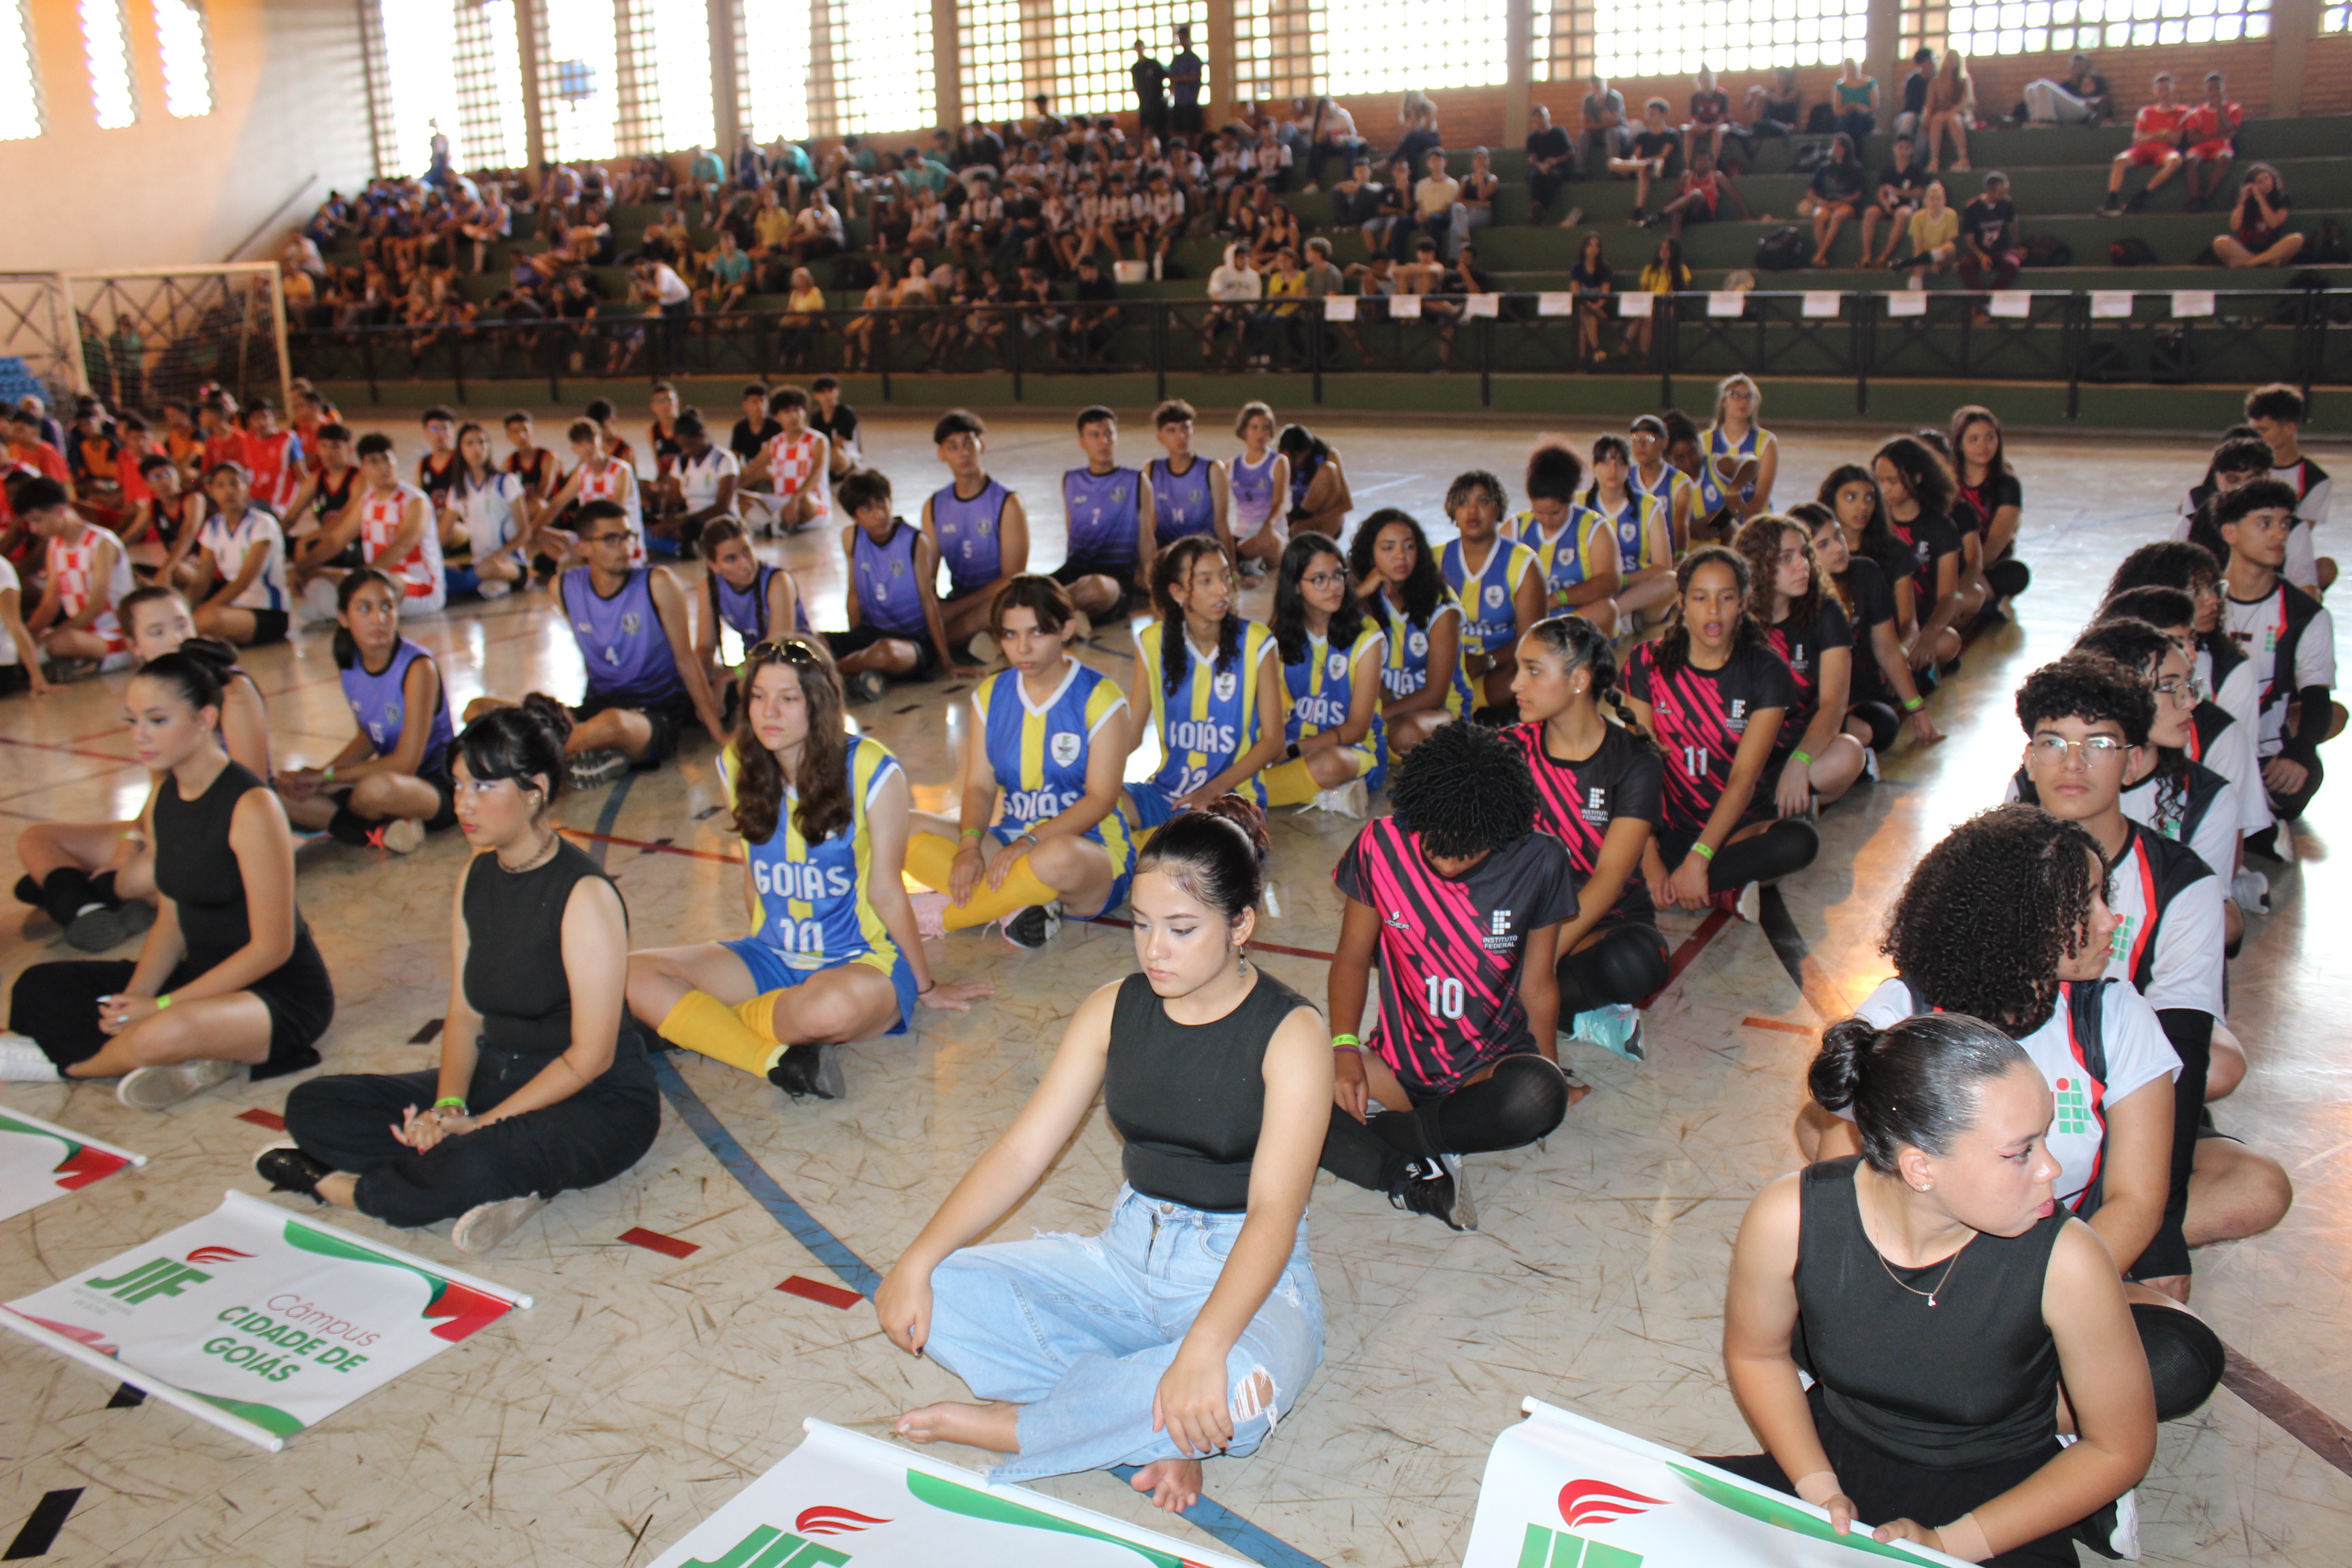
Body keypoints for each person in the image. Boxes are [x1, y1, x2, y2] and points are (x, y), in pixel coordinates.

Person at [879, 799, 1326, 1511]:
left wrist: (1204, 1349)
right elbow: (1024, 1150)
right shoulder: (1113, 1007)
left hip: (1246, 1275)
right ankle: (1158, 1424)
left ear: (1241, 924)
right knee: (941, 1290)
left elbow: (1275, 1211)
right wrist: (916, 1257)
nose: (1155, 951)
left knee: (1241, 1389)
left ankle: (1028, 1426)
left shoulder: (1292, 1032)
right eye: (1143, 926)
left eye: (1182, 930)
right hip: (1126, 1261)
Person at [1717, 1013, 2157, 1565]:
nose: (2052, 1168)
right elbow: (1758, 1354)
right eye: (2020, 1151)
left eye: (2046, 1137)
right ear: (1920, 1168)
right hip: (1837, 1456)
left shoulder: (2069, 1259)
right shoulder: (1791, 1216)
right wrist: (1817, 1488)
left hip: (1999, 1497)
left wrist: (1949, 1546)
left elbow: (2120, 1448)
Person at [259, 701, 653, 1255]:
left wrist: (483, 1126)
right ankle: (479, 1174)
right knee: (314, 1105)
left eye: (482, 788)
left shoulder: (583, 896)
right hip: (499, 1074)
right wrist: (448, 1107)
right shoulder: (476, 872)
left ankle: (343, 1188)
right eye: (459, 785)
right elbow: (467, 1012)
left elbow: (591, 1058)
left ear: (534, 789)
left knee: (484, 1155)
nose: (462, 804)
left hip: (593, 1101)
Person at [2010, 654, 2292, 1295]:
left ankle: (2068, 1234)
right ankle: (2068, 1234)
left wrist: (2158, 1226)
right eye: (2052, 742)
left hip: (2129, 1102)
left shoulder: (2180, 882)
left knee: (2262, 1187)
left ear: (2135, 761)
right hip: (2010, 1100)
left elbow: (2184, 1047)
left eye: (2099, 744)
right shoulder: (1988, 862)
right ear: (2027, 759)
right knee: (1828, 1127)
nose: (2072, 764)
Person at [630, 637, 983, 1099]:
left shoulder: (871, 769)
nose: (768, 712)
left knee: (828, 1011)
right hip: (773, 956)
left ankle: (701, 1025)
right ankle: (769, 1056)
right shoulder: (737, 763)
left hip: (861, 963)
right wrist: (755, 953)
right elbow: (752, 878)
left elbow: (887, 891)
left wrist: (925, 985)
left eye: (787, 699)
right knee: (632, 974)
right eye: (758, 696)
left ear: (818, 704)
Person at [0, 651, 334, 1105]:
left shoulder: (252, 806)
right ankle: (189, 1055)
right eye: (132, 720)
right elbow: (173, 919)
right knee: (38, 986)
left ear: (205, 718)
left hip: (275, 994)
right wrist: (133, 998)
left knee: (166, 1030)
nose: (140, 735)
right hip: (199, 979)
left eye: (157, 720)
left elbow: (273, 947)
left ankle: (66, 1067)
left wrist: (159, 1007)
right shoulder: (163, 800)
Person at [1319, 721, 1581, 1230]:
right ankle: (1408, 1169)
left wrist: (1551, 1072)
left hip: (1485, 1071)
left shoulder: (1540, 860)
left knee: (1537, 1097)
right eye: (1435, 842)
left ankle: (1391, 1137)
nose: (1449, 858)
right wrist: (1345, 1048)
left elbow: (1538, 985)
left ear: (1501, 832)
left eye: (1468, 849)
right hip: (1394, 1068)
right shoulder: (1380, 845)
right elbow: (1351, 957)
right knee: (1271, 1089)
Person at [11, 591, 270, 950]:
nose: (176, 639)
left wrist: (152, 852)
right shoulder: (149, 694)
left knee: (142, 875)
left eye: (182, 624)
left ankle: (74, 893)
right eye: (158, 631)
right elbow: (159, 791)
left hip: (224, 837)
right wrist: (130, 843)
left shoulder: (231, 689)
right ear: (134, 645)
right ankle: (88, 907)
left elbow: (253, 795)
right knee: (37, 839)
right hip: (175, 825)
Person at [906, 576, 1136, 947]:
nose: (1023, 647)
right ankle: (1015, 902)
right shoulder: (990, 695)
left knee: (1055, 856)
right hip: (1008, 843)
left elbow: (1101, 799)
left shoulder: (1100, 696)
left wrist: (1030, 841)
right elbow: (980, 787)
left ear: (1066, 629)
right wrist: (968, 847)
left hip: (1086, 854)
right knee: (902, 826)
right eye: (1010, 635)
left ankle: (940, 916)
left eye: (1036, 633)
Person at [470, 500, 726, 789]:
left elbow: (686, 659)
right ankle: (585, 752)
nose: (625, 547)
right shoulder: (563, 588)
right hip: (595, 707)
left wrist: (715, 731)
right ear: (585, 548)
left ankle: (528, 764)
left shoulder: (657, 582)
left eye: (627, 537)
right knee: (479, 709)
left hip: (654, 714)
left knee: (612, 724)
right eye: (611, 539)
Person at [1624, 546, 1818, 921]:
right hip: (1666, 826)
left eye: (1726, 598)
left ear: (1743, 603)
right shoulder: (1646, 661)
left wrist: (1703, 856)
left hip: (1735, 829)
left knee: (1800, 841)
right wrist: (1649, 859)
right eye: (1700, 598)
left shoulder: (1766, 670)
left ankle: (1690, 879)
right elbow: (1639, 768)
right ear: (1682, 602)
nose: (1713, 610)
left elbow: (1744, 779)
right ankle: (1715, 888)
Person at [1508, 616, 1667, 1060]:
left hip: (1602, 924)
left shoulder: (1635, 761)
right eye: (1519, 669)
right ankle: (1571, 1015)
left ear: (1579, 680)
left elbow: (1609, 878)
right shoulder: (1509, 750)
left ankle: (1519, 1005)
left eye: (1533, 671)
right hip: (1522, 924)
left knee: (1638, 962)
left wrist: (1537, 966)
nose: (1517, 684)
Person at [273, 569, 456, 855]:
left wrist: (330, 778)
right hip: (383, 777)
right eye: (364, 609)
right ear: (343, 618)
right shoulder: (351, 665)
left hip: (431, 788)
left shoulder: (418, 667)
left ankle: (349, 823)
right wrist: (320, 777)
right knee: (282, 794)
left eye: (387, 607)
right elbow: (369, 736)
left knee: (373, 792)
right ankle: (378, 831)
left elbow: (407, 763)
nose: (378, 619)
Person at [1124, 537, 1285, 829]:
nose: (1222, 590)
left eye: (1226, 577)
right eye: (1206, 581)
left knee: (1198, 842)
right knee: (1094, 804)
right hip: (1167, 794)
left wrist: (1214, 789)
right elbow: (1131, 736)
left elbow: (1273, 741)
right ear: (1177, 592)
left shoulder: (1257, 642)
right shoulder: (1152, 642)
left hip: (1230, 802)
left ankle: (1149, 853)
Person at [2215, 482, 2334, 835]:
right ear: (2230, 532)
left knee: (2306, 773)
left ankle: (2251, 823)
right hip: (2198, 746)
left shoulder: (2305, 614)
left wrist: (2300, 748)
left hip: (2262, 754)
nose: (2279, 534)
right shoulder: (2200, 602)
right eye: (2265, 523)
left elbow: (2316, 694)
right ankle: (2255, 832)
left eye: (2285, 524)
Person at [1735, 515, 1869, 815]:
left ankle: (1782, 801)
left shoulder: (1825, 612)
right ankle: (1784, 805)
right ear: (1759, 566)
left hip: (1801, 742)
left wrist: (1800, 762)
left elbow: (1833, 705)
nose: (1803, 564)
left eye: (1804, 554)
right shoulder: (1735, 617)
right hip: (1746, 749)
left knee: (1849, 753)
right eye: (1786, 558)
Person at [1799, 501, 1938, 757]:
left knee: (1881, 725)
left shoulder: (1865, 572)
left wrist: (1917, 709)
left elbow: (1887, 649)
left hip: (1858, 703)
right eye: (1823, 545)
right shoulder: (1797, 592)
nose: (1839, 548)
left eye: (1838, 536)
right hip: (1811, 710)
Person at [1352, 507, 1469, 757]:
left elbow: (1435, 695)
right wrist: (1361, 595)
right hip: (1387, 707)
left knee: (1404, 733)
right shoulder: (1366, 596)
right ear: (1370, 555)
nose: (1401, 557)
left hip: (1437, 712)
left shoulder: (1442, 605)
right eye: (1388, 548)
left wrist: (1373, 718)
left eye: (1409, 547)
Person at [299, 432, 446, 617]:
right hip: (377, 580)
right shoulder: (367, 501)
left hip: (419, 588)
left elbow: (403, 545)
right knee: (317, 578)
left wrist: (363, 577)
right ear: (363, 468)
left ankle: (341, 612)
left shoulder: (415, 501)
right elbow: (336, 540)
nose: (383, 467)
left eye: (386, 459)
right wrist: (302, 567)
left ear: (395, 461)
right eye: (374, 462)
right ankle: (344, 611)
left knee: (385, 586)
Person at [921, 410, 1029, 653]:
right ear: (941, 454)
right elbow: (928, 575)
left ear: (982, 445)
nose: (964, 453)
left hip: (1001, 600)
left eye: (969, 443)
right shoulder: (935, 506)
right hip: (960, 598)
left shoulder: (1008, 502)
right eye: (953, 447)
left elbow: (1013, 578)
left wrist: (953, 610)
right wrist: (931, 607)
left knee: (976, 619)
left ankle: (947, 644)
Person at [1439, 470, 1542, 715]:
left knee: (1530, 672)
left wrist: (1486, 661)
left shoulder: (1523, 562)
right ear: (1453, 511)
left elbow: (1533, 639)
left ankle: (1474, 711)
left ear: (1498, 509)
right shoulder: (1435, 560)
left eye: (1483, 502)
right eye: (1463, 503)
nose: (1472, 511)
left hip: (1501, 668)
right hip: (1448, 669)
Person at [1874, 436, 1971, 675]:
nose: (1885, 489)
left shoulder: (1939, 527)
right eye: (1880, 481)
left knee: (1948, 641)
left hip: (1922, 622)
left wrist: (1928, 635)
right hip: (1881, 625)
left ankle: (1917, 666)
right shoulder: (1876, 524)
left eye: (1894, 481)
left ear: (1917, 478)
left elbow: (1947, 595)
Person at [18, 479, 133, 671]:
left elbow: (96, 607)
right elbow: (49, 606)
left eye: (37, 520)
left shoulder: (102, 543)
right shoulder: (55, 546)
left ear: (60, 510)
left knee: (59, 642)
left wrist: (47, 639)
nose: (33, 529)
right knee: (38, 637)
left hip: (115, 635)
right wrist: (25, 639)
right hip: (81, 633)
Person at [1505, 441, 1617, 635]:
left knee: (1606, 610)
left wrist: (1558, 599)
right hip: (1528, 621)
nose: (1547, 519)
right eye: (1539, 512)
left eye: (1555, 513)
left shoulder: (1594, 528)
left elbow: (1610, 582)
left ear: (1571, 500)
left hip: (1573, 619)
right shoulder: (1515, 528)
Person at [1056, 406, 1153, 619]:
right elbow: (1072, 535)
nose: (1104, 441)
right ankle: (1065, 612)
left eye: (1109, 433)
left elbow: (1146, 539)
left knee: (1096, 589)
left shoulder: (1135, 481)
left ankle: (1048, 608)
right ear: (1082, 441)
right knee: (1022, 585)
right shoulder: (1071, 480)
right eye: (1095, 435)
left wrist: (1154, 584)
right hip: (1075, 570)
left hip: (1115, 577)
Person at [694, 517, 806, 700]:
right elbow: (705, 648)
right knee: (692, 674)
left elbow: (775, 651)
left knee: (746, 686)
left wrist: (725, 679)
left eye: (747, 551)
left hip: (791, 661)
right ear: (713, 565)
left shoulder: (777, 582)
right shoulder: (710, 587)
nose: (745, 564)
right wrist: (699, 681)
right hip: (752, 664)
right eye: (731, 559)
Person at [1582, 434, 1674, 623]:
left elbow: (1663, 566)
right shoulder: (1579, 505)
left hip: (1637, 591)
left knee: (1673, 581)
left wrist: (1620, 581)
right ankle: (1622, 620)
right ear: (1594, 466)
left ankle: (1614, 614)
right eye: (1606, 462)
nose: (1613, 469)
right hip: (1594, 591)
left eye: (1620, 462)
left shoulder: (1649, 506)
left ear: (1628, 467)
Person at [440, 421, 536, 599]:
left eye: (482, 442)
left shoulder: (506, 481)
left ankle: (473, 583)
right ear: (460, 449)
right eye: (469, 443)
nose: (477, 448)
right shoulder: (459, 488)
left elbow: (525, 533)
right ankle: (481, 583)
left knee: (487, 569)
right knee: (440, 567)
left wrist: (500, 554)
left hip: (509, 562)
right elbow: (443, 534)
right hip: (479, 563)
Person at [1950, 405, 2030, 614]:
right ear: (1959, 444)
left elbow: (1996, 543)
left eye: (1990, 438)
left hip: (1986, 564)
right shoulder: (1948, 481)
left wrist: (1967, 574)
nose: (1983, 446)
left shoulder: (2007, 484)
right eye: (1974, 439)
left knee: (2016, 575)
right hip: (1950, 561)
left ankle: (1968, 600)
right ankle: (1978, 602)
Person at [1145, 398, 1234, 561]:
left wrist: (1232, 572)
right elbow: (1150, 525)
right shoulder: (1152, 470)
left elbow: (1221, 525)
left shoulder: (1213, 469)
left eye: (1185, 428)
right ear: (1160, 437)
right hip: (1167, 552)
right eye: (1172, 430)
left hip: (1201, 551)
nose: (1181, 436)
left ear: (1193, 431)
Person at [737, 386, 832, 534]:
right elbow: (750, 470)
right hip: (781, 501)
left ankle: (777, 523)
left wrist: (796, 499)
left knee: (804, 501)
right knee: (738, 497)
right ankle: (770, 527)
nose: (794, 416)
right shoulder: (774, 443)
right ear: (776, 416)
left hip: (810, 503)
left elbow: (817, 474)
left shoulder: (817, 441)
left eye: (797, 410)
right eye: (787, 412)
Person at [2103, 74, 2186, 215]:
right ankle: (2112, 199)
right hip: (2142, 151)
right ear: (2155, 92)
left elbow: (2177, 139)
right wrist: (2163, 133)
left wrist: (2151, 136)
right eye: (2160, 90)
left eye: (2167, 89)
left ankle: (2143, 195)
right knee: (2120, 160)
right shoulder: (2146, 111)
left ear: (2174, 89)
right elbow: (2137, 140)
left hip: (2164, 151)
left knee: (2175, 161)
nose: (2164, 93)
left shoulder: (2183, 112)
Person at [1701, 372, 1778, 524]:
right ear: (1724, 401)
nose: (1743, 401)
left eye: (1749, 397)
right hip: (1714, 519)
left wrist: (1727, 527)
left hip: (1754, 521)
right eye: (1737, 395)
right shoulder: (1704, 441)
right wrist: (1717, 528)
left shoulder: (1766, 441)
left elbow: (1759, 500)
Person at [1226, 402, 1290, 578]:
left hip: (1270, 535)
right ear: (1244, 430)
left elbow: (1280, 502)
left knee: (1271, 544)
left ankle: (1236, 565)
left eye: (1265, 428)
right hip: (1242, 535)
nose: (1260, 434)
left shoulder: (1278, 462)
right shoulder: (1231, 466)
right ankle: (1241, 565)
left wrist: (1267, 526)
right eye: (1254, 427)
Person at [2214, 161, 2301, 269]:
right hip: (2246, 250)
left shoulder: (2282, 198)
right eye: (2260, 181)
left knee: (2296, 239)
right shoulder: (2244, 201)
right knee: (2220, 242)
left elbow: (2273, 224)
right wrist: (2242, 202)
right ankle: (2262, 261)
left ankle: (2251, 263)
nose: (2266, 183)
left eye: (2267, 178)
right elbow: (2235, 226)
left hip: (2272, 249)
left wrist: (2260, 199)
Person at [1801, 134, 1867, 269]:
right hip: (1827, 203)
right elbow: (1811, 191)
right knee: (1819, 216)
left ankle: (1819, 255)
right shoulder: (1823, 168)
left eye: (1838, 145)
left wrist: (1842, 202)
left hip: (1847, 205)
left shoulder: (1856, 168)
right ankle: (1822, 257)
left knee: (1837, 217)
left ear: (1845, 149)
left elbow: (1858, 194)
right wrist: (1820, 202)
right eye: (1834, 145)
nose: (1834, 148)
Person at [1861, 136, 1928, 268]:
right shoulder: (1888, 170)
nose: (1903, 151)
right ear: (1894, 149)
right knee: (1871, 212)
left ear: (1912, 150)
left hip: (1907, 206)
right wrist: (1885, 203)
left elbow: (1919, 193)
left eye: (1906, 148)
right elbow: (1881, 191)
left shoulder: (1916, 169)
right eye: (1900, 147)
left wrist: (1898, 192)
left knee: (1902, 214)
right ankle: (1867, 255)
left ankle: (1884, 256)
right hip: (1888, 206)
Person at [2178, 71, 2242, 210]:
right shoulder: (2196, 113)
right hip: (2200, 148)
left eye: (2217, 88)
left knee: (2225, 159)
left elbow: (2228, 132)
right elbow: (2192, 139)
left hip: (2222, 146)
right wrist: (2217, 135)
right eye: (2210, 88)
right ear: (2206, 90)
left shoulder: (2233, 109)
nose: (2214, 92)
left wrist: (2220, 108)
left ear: (2223, 89)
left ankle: (2205, 198)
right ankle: (2195, 198)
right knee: (2190, 160)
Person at [1277, 423, 1351, 540]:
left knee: (1327, 470)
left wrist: (1307, 522)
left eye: (1295, 458)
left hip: (1327, 520)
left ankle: (1298, 525)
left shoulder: (1329, 456)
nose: (1291, 463)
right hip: (1298, 517)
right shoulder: (1284, 463)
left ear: (1306, 452)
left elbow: (1347, 504)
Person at [1921, 48, 1973, 173]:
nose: (1952, 61)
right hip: (1940, 113)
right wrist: (1927, 116)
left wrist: (1953, 111)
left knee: (1953, 120)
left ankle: (1963, 158)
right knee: (1937, 120)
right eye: (1950, 58)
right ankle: (1934, 159)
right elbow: (1930, 104)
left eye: (1955, 59)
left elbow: (1967, 100)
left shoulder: (1964, 80)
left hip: (1959, 113)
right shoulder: (1935, 82)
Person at [2024, 52, 2111, 126]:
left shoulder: (2097, 85)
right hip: (2065, 115)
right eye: (2074, 66)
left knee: (2042, 85)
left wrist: (2093, 102)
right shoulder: (2066, 86)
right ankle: (2036, 121)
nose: (2076, 70)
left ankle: (2048, 121)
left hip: (2085, 113)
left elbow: (2105, 107)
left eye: (2079, 67)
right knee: (2030, 89)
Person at [1524, 105, 1574, 221]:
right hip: (1540, 168)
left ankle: (1541, 209)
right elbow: (1532, 158)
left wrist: (1555, 161)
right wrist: (1541, 166)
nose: (1541, 119)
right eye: (1538, 117)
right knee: (1535, 177)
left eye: (1543, 115)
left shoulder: (1559, 132)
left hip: (1559, 167)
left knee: (1553, 177)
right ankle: (1536, 206)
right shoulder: (1532, 138)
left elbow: (1570, 153)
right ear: (1534, 120)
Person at [1168, 24, 1203, 137]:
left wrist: (1181, 79)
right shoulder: (1177, 59)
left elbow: (1194, 77)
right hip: (1179, 103)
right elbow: (1172, 79)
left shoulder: (1194, 59)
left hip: (1191, 102)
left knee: (1191, 132)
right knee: (1177, 131)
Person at [1833, 56, 1878, 142]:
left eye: (1853, 66)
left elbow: (1874, 106)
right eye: (1849, 67)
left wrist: (1861, 108)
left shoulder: (1869, 83)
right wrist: (1848, 108)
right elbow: (1837, 110)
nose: (1851, 69)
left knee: (1856, 118)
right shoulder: (1840, 86)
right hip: (1846, 118)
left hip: (1865, 118)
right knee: (1850, 120)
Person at [1130, 39, 1168, 141]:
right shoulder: (1136, 68)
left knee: (1160, 131)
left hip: (1158, 104)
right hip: (1145, 105)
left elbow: (1168, 76)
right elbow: (1136, 86)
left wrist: (1169, 97)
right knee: (1146, 130)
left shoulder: (1154, 64)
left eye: (1141, 47)